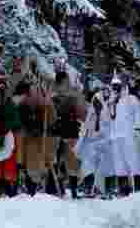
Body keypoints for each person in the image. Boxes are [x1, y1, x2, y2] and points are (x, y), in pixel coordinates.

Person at [52, 69, 88, 198]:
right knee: (56, 161)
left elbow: (81, 113)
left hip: (71, 131)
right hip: (56, 132)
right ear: (58, 83)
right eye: (64, 82)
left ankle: (73, 189)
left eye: (67, 82)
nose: (66, 85)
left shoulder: (73, 97)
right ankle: (57, 188)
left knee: (73, 162)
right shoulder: (52, 98)